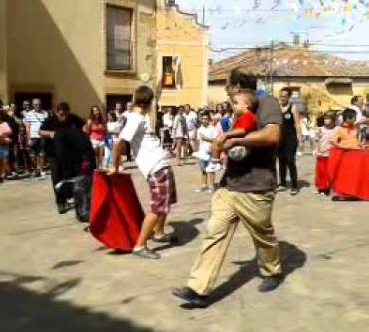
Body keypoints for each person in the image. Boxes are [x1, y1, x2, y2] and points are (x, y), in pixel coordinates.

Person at [173, 68, 283, 308]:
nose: (227, 93)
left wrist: (235, 140)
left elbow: (272, 135)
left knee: (263, 236)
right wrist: (221, 146)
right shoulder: (238, 108)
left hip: (256, 186)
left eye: (228, 88)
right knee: (215, 232)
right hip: (230, 185)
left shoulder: (267, 102)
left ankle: (272, 271)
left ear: (238, 86)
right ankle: (198, 289)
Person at [111, 85, 177, 260]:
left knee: (167, 202)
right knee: (157, 208)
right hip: (156, 168)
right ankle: (140, 245)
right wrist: (115, 167)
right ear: (149, 101)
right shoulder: (135, 119)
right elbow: (119, 143)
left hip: (162, 164)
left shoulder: (140, 116)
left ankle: (159, 233)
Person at [40, 102, 86, 213]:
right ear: (57, 112)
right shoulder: (50, 120)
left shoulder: (73, 118)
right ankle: (60, 202)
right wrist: (51, 134)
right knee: (57, 178)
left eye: (65, 114)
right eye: (61, 114)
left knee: (71, 177)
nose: (64, 116)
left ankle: (73, 197)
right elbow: (41, 131)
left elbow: (84, 125)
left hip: (71, 154)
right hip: (54, 154)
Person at [209, 89, 259, 169]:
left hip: (241, 146)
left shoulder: (248, 116)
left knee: (217, 142)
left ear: (247, 105)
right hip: (238, 145)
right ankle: (216, 158)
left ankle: (215, 162)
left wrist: (226, 134)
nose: (234, 106)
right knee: (216, 143)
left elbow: (243, 130)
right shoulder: (242, 117)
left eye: (236, 103)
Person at [278, 87, 302, 195]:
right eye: (281, 95)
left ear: (289, 97)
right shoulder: (277, 108)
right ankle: (282, 183)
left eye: (284, 96)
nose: (282, 98)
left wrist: (300, 139)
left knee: (290, 160)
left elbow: (297, 124)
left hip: (291, 138)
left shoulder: (293, 108)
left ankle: (294, 186)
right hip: (279, 138)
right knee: (281, 161)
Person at [24, 98, 48, 178]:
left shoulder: (45, 113)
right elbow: (27, 127)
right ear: (33, 105)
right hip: (33, 136)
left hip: (42, 136)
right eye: (35, 104)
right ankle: (35, 168)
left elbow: (47, 125)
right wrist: (28, 138)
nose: (37, 106)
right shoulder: (29, 114)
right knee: (33, 155)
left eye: (39, 104)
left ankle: (40, 169)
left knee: (41, 154)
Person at [194, 112, 218, 193]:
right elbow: (198, 141)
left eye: (206, 119)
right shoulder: (199, 129)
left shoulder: (213, 129)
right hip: (202, 152)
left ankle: (211, 186)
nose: (204, 120)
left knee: (211, 169)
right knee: (203, 169)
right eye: (203, 119)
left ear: (209, 120)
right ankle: (204, 185)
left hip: (211, 152)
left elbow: (216, 140)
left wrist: (206, 139)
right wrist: (196, 152)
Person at [314, 113, 336, 195]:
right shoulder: (320, 129)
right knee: (320, 172)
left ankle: (328, 188)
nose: (325, 120)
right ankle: (320, 187)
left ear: (333, 120)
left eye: (328, 118)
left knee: (329, 172)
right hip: (322, 153)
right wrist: (316, 150)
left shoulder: (336, 130)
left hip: (331, 154)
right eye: (325, 118)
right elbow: (317, 140)